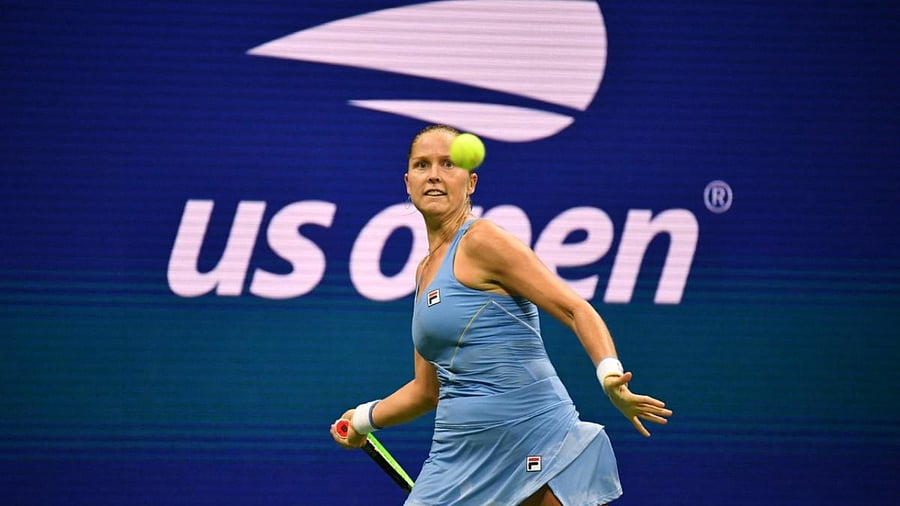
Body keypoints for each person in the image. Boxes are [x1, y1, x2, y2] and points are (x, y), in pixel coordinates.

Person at [330, 124, 672, 505]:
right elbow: (427, 391)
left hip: (534, 435)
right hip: (458, 455)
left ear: (470, 182)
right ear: (407, 182)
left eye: (448, 164)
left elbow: (575, 309)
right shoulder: (425, 271)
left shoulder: (482, 241)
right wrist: (362, 419)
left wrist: (610, 376)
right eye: (422, 165)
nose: (435, 175)